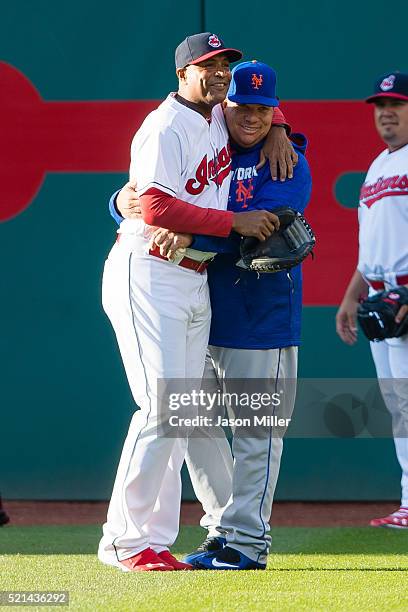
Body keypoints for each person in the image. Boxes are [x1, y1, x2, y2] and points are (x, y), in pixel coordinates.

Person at [99, 32, 295, 572]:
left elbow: (256, 100)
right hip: (150, 270)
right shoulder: (163, 125)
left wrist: (279, 124)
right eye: (207, 66)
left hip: (193, 278)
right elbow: (156, 205)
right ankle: (125, 541)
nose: (218, 74)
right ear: (183, 72)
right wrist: (231, 222)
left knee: (181, 414)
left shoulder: (214, 116)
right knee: (160, 408)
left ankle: (154, 539)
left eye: (223, 65)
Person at [336, 71, 408, 529]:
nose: (385, 113)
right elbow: (369, 249)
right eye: (380, 106)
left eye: (397, 105)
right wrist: (349, 298)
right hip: (381, 300)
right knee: (399, 407)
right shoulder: (379, 166)